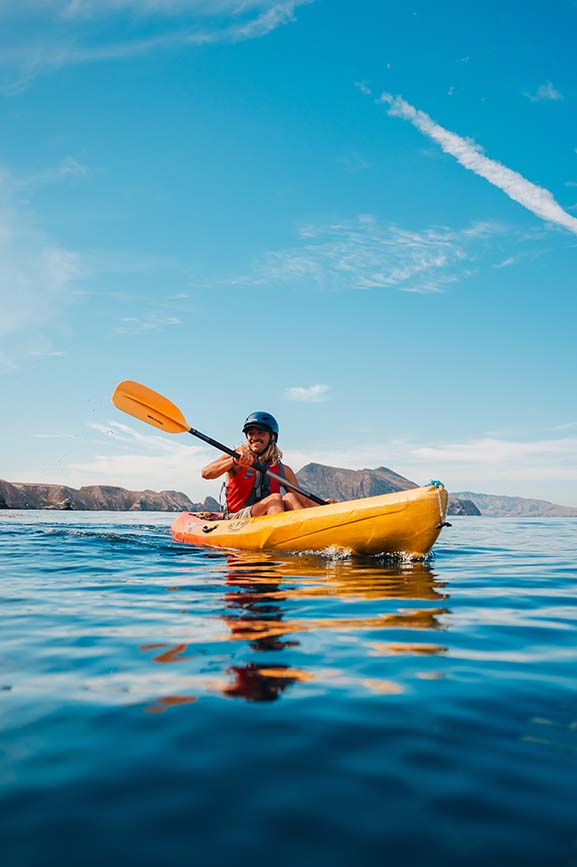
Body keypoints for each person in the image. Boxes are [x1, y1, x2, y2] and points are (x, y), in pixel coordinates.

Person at [201, 411, 331, 519]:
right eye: (251, 433)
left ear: (272, 438)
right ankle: (279, 540)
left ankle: (305, 533)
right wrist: (233, 461)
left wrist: (325, 506)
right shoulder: (237, 457)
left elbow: (304, 500)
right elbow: (206, 473)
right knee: (274, 498)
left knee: (291, 496)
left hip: (267, 518)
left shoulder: (283, 470)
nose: (255, 437)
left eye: (261, 433)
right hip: (237, 518)